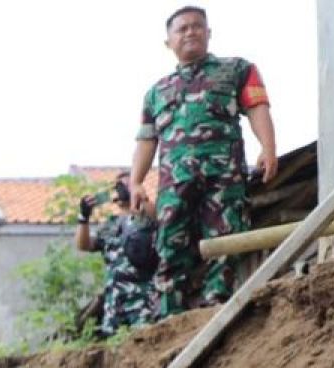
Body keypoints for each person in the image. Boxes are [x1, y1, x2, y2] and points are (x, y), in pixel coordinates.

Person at [130, 5, 277, 317]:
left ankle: (217, 309)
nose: (190, 32)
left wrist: (268, 147)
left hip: (223, 176)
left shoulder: (237, 69)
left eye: (197, 26)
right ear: (168, 41)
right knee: (170, 244)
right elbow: (146, 139)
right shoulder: (156, 92)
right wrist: (135, 181)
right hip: (174, 183)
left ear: (208, 33)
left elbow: (257, 106)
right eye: (181, 29)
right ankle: (169, 318)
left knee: (225, 241)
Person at [76, 172, 158, 337]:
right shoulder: (110, 225)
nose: (121, 189)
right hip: (114, 299)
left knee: (144, 339)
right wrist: (83, 216)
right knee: (114, 344)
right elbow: (84, 245)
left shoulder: (145, 219)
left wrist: (137, 194)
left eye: (125, 185)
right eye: (119, 186)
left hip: (140, 296)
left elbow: (158, 218)